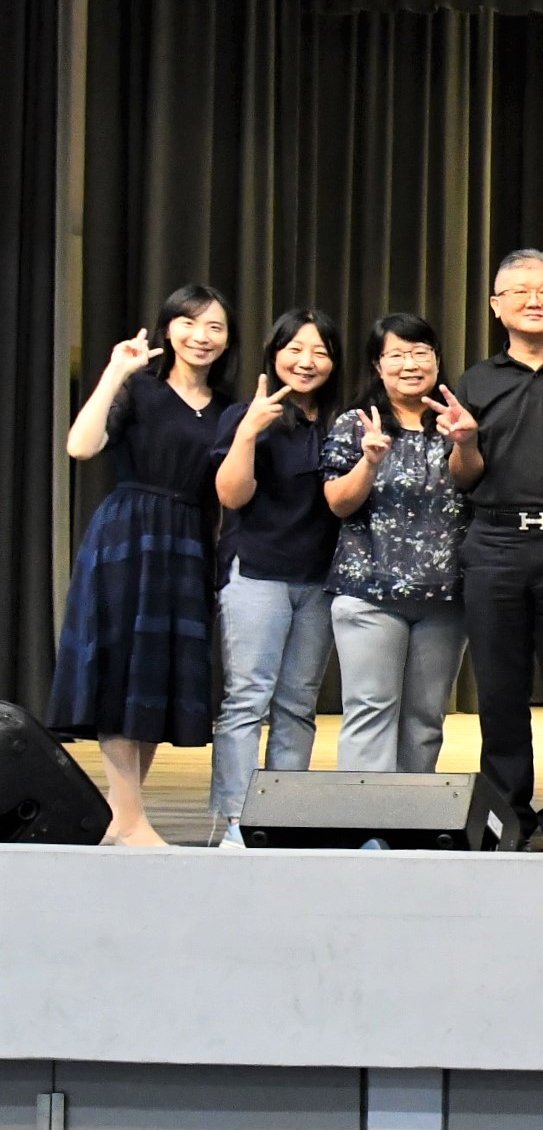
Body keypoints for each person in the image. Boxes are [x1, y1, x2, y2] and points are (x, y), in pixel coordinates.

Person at [49, 287, 236, 846]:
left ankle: (120, 817)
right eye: (190, 323)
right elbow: (81, 446)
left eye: (216, 327)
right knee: (119, 669)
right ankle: (130, 819)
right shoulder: (140, 389)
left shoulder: (226, 408)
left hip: (189, 541)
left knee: (154, 678)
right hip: (128, 535)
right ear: (168, 329)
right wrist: (116, 371)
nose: (202, 336)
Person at [452, 247, 543, 852]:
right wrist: (465, 442)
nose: (533, 300)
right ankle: (506, 813)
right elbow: (463, 476)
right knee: (500, 691)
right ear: (496, 306)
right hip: (494, 543)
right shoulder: (476, 381)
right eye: (519, 291)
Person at [209, 307, 343, 845]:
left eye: (320, 351)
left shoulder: (344, 421)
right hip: (257, 573)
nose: (306, 362)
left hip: (320, 580)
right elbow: (231, 495)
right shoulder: (246, 414)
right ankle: (237, 821)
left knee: (298, 704)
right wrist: (248, 432)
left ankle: (283, 818)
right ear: (273, 354)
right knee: (248, 698)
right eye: (294, 349)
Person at [322, 313, 471, 774]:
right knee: (370, 711)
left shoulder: (456, 420)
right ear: (378, 364)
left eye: (421, 353)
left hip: (444, 597)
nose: (411, 364)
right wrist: (369, 462)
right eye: (398, 354)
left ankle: (411, 814)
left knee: (426, 720)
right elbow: (338, 503)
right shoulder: (356, 423)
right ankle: (365, 816)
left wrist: (466, 442)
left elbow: (472, 482)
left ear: (437, 360)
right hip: (369, 593)